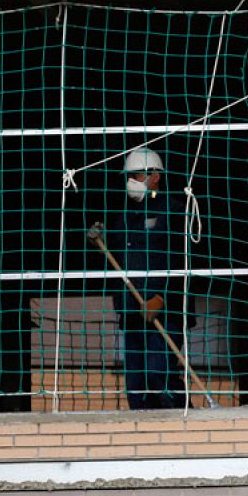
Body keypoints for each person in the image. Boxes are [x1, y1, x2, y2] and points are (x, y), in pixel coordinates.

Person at [102, 148, 186, 410]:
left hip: (164, 311)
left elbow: (182, 259)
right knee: (136, 385)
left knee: (158, 375)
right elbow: (115, 260)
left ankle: (179, 424)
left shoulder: (174, 211)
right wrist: (101, 240)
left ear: (155, 177)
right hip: (132, 310)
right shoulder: (123, 217)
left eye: (137, 175)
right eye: (130, 176)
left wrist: (162, 297)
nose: (132, 181)